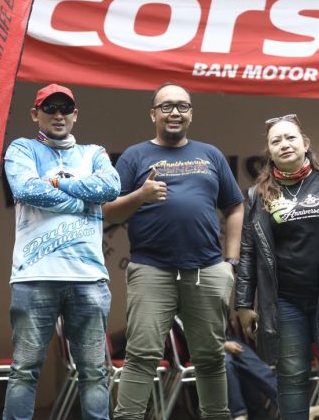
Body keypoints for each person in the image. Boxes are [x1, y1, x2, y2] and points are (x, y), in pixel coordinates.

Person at [104, 83, 244, 420]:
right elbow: (109, 212)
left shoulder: (211, 155)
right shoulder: (134, 156)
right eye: (166, 106)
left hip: (207, 270)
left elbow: (235, 207)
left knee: (211, 357)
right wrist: (140, 195)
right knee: (142, 356)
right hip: (152, 269)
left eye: (182, 106)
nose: (175, 112)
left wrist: (230, 262)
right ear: (153, 114)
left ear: (191, 114)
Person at [234, 114, 319, 420]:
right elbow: (248, 252)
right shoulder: (257, 195)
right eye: (276, 141)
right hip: (284, 301)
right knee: (292, 378)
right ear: (269, 152)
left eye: (290, 138)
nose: (284, 144)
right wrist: (243, 303)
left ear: (305, 144)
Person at [2, 83, 121, 420]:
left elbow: (111, 187)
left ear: (75, 115)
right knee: (24, 371)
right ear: (35, 114)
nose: (58, 115)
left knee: (94, 373)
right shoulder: (22, 148)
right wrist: (83, 201)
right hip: (34, 276)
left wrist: (57, 182)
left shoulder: (93, 152)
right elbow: (26, 188)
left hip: (89, 279)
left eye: (65, 109)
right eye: (50, 108)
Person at [224, 333, 278, 420]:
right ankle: (239, 414)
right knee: (227, 364)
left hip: (227, 338)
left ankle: (287, 402)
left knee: (255, 366)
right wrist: (223, 345)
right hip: (209, 345)